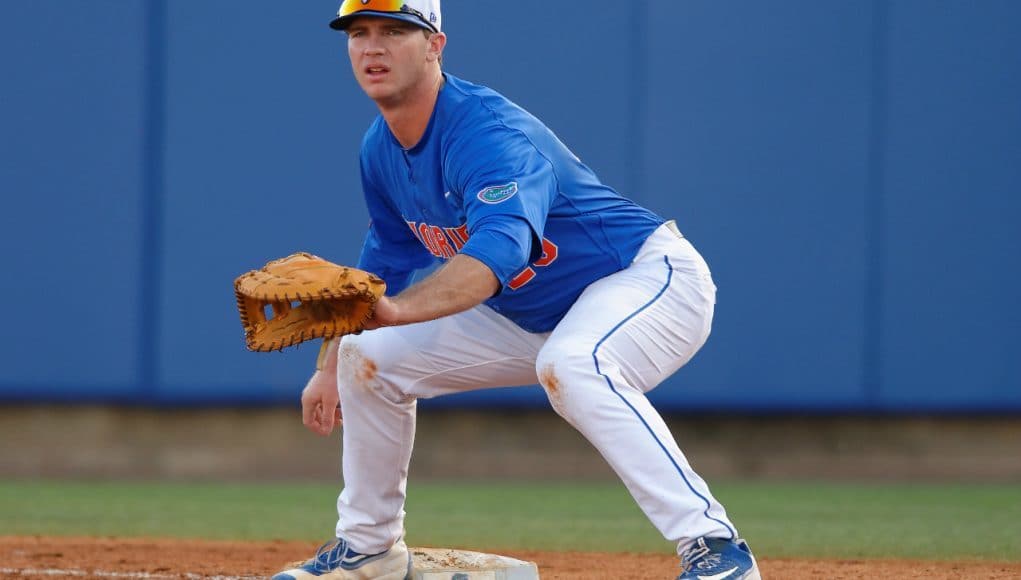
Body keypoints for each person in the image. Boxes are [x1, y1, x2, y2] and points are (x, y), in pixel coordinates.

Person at [272, 1, 761, 579]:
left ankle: (716, 547)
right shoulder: (379, 149)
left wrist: (399, 310)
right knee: (363, 357)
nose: (372, 47)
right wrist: (328, 364)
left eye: (395, 31)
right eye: (359, 32)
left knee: (575, 362)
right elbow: (382, 262)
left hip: (643, 279)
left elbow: (494, 257)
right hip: (530, 313)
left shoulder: (487, 133)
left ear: (435, 45)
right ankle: (369, 549)